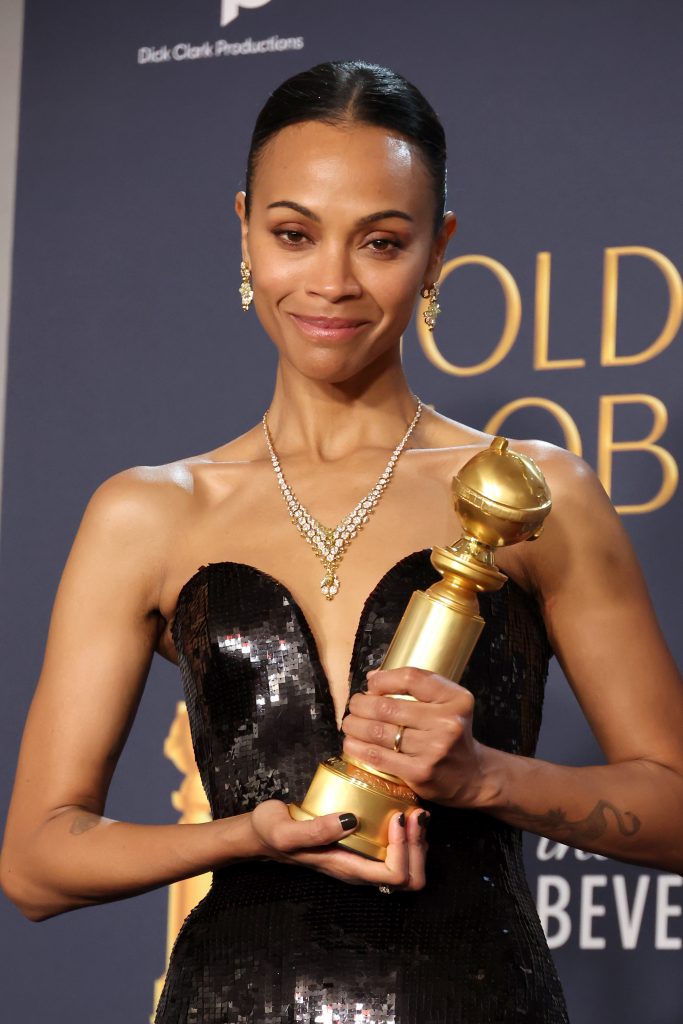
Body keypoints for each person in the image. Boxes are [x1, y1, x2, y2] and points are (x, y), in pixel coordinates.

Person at [1, 59, 682, 1024]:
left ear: (439, 248)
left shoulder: (535, 494)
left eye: (382, 241)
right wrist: (243, 837)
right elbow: (36, 861)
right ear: (243, 228)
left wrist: (485, 777)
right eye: (292, 233)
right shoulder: (146, 512)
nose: (330, 282)